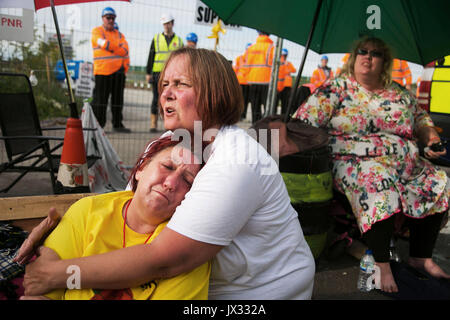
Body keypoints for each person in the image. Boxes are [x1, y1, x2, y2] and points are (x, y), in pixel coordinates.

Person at [17, 48, 315, 300]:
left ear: (214, 92)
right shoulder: (177, 145)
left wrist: (58, 274)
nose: (166, 94)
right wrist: (54, 240)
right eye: (164, 85)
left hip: (261, 293)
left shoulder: (236, 161)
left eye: (180, 84)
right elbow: (126, 213)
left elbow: (164, 261)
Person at [291, 36, 450, 293]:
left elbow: (422, 121)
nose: (367, 57)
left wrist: (431, 138)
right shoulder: (336, 89)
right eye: (362, 52)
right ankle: (381, 263)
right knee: (377, 182)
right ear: (354, 58)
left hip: (403, 162)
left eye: (375, 54)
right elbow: (302, 123)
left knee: (437, 183)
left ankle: (421, 257)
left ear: (384, 62)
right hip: (355, 161)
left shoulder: (398, 92)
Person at [21, 137, 210, 300]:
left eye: (187, 180)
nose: (170, 183)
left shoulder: (188, 249)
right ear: (141, 169)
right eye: (168, 166)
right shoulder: (87, 212)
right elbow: (39, 286)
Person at [91, 7, 130, 133]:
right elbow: (102, 44)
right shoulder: (96, 31)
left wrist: (110, 47)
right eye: (108, 17)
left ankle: (117, 124)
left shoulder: (119, 34)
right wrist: (116, 48)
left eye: (113, 18)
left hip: (118, 72)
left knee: (118, 100)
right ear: (103, 18)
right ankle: (98, 126)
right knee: (100, 101)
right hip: (102, 72)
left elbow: (125, 51)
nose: (111, 20)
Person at [146, 13, 184, 133]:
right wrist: (148, 72)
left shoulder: (179, 41)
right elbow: (151, 56)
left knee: (172, 99)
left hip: (173, 75)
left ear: (172, 23)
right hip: (157, 73)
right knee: (156, 99)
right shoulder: (156, 38)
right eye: (164, 24)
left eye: (168, 23)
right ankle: (153, 123)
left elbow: (182, 59)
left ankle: (169, 124)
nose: (166, 26)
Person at [244, 31, 274, 123]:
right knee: (267, 105)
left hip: (253, 80)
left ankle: (256, 125)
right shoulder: (271, 48)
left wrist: (247, 78)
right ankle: (266, 125)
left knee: (255, 106)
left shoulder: (251, 48)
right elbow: (276, 65)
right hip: (266, 81)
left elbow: (246, 65)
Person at [233, 43, 252, 120]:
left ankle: (242, 115)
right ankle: (239, 115)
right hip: (241, 82)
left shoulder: (252, 60)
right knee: (240, 100)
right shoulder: (239, 58)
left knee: (246, 100)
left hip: (247, 83)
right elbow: (234, 70)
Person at [276, 48, 296, 115]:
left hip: (287, 85)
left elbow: (294, 70)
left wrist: (287, 65)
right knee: (278, 101)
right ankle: (278, 115)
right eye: (283, 55)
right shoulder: (279, 63)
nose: (283, 57)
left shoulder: (288, 63)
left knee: (285, 102)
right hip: (280, 84)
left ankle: (283, 115)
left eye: (285, 55)